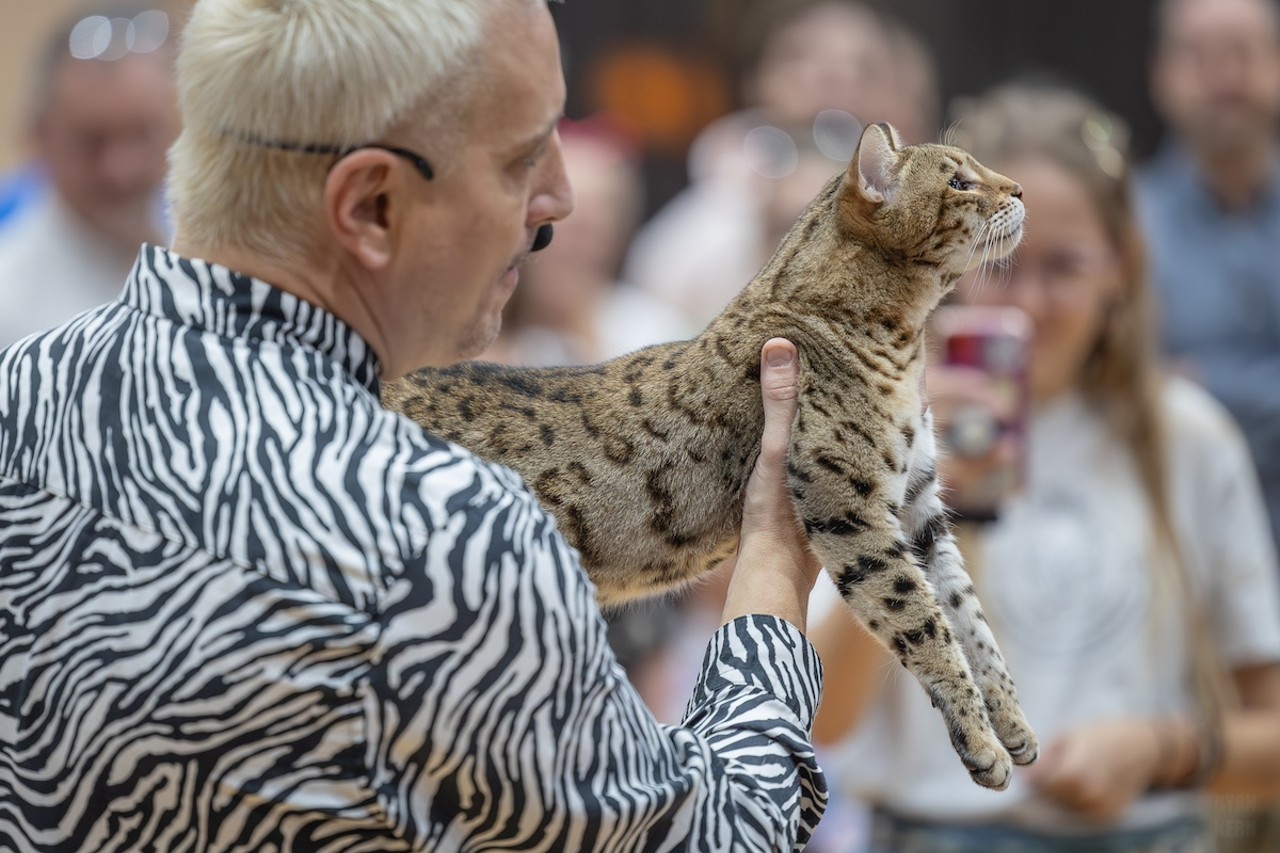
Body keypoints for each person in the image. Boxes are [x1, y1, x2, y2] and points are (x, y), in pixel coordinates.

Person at [0, 1, 830, 850]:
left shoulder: (19, 390)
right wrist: (773, 561)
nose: (560, 199)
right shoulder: (439, 532)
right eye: (518, 160)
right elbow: (715, 837)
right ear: (370, 205)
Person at [810, 82, 1280, 852]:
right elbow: (825, 718)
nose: (1024, 302)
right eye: (995, 259)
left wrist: (1164, 749)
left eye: (1062, 266)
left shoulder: (1189, 439)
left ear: (1121, 267)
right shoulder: (886, 432)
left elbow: (1271, 742)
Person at [622, 0, 939, 331]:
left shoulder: (927, 211)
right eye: (800, 57)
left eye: (862, 67)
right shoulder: (701, 224)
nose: (834, 76)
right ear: (758, 80)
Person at [1135, 0, 1280, 560]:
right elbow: (1127, 404)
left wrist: (1197, 389)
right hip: (1179, 548)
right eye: (1199, 56)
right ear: (1160, 75)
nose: (1225, 78)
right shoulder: (1124, 227)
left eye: (1243, 53)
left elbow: (1164, 396)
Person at [0, 3, 178, 348]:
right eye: (91, 142)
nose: (120, 169)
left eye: (141, 134)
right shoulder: (9, 306)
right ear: (40, 137)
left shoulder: (217, 243)